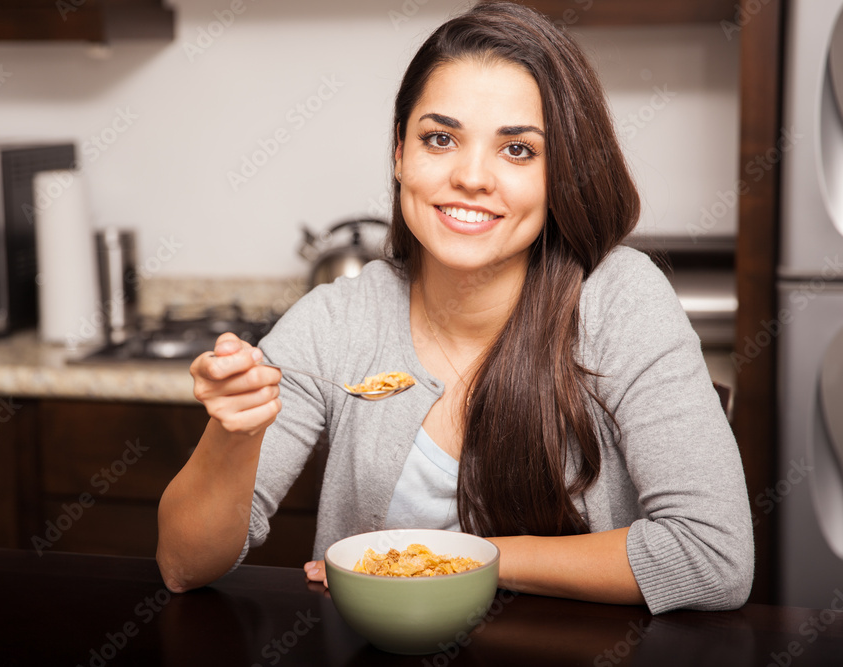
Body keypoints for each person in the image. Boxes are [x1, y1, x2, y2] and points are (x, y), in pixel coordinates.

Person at [156, 1, 753, 614]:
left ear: (561, 172)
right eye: (440, 139)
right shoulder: (337, 321)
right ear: (399, 153)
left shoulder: (619, 300)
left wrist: (456, 561)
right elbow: (183, 567)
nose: (471, 177)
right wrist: (234, 433)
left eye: (517, 150)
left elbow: (713, 557)